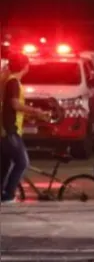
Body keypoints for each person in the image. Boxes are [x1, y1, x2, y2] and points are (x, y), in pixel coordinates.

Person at [1, 54, 52, 203]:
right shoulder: (13, 82)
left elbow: (12, 109)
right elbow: (15, 105)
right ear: (25, 66)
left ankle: (3, 195)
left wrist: (32, 116)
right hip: (10, 130)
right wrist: (35, 111)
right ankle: (9, 195)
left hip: (6, 129)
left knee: (4, 165)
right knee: (22, 162)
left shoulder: (8, 81)